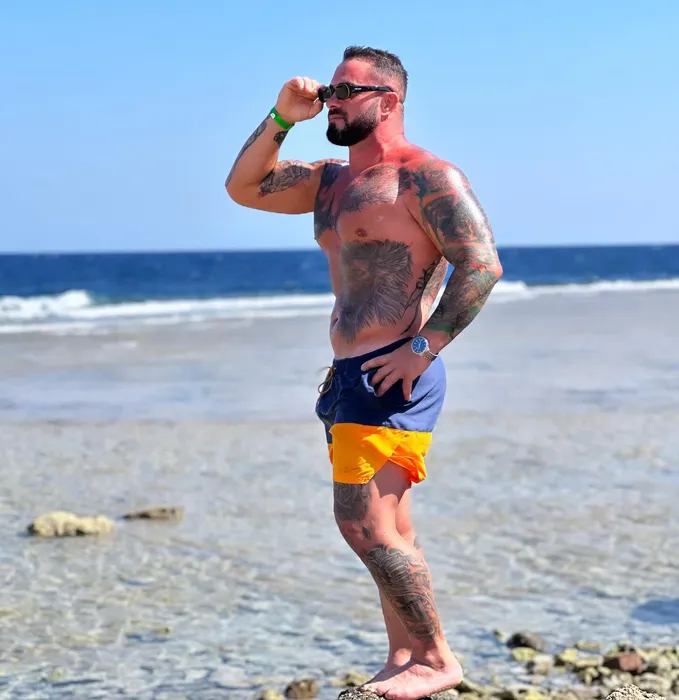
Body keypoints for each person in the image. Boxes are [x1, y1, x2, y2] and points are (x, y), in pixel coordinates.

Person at [225, 46, 503, 700]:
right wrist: (281, 116)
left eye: (348, 90)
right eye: (331, 90)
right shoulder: (329, 182)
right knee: (389, 528)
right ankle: (404, 655)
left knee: (361, 525)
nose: (333, 100)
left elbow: (481, 264)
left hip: (392, 374)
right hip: (348, 376)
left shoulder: (425, 177)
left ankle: (435, 658)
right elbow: (242, 188)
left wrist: (424, 348)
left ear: (389, 100)